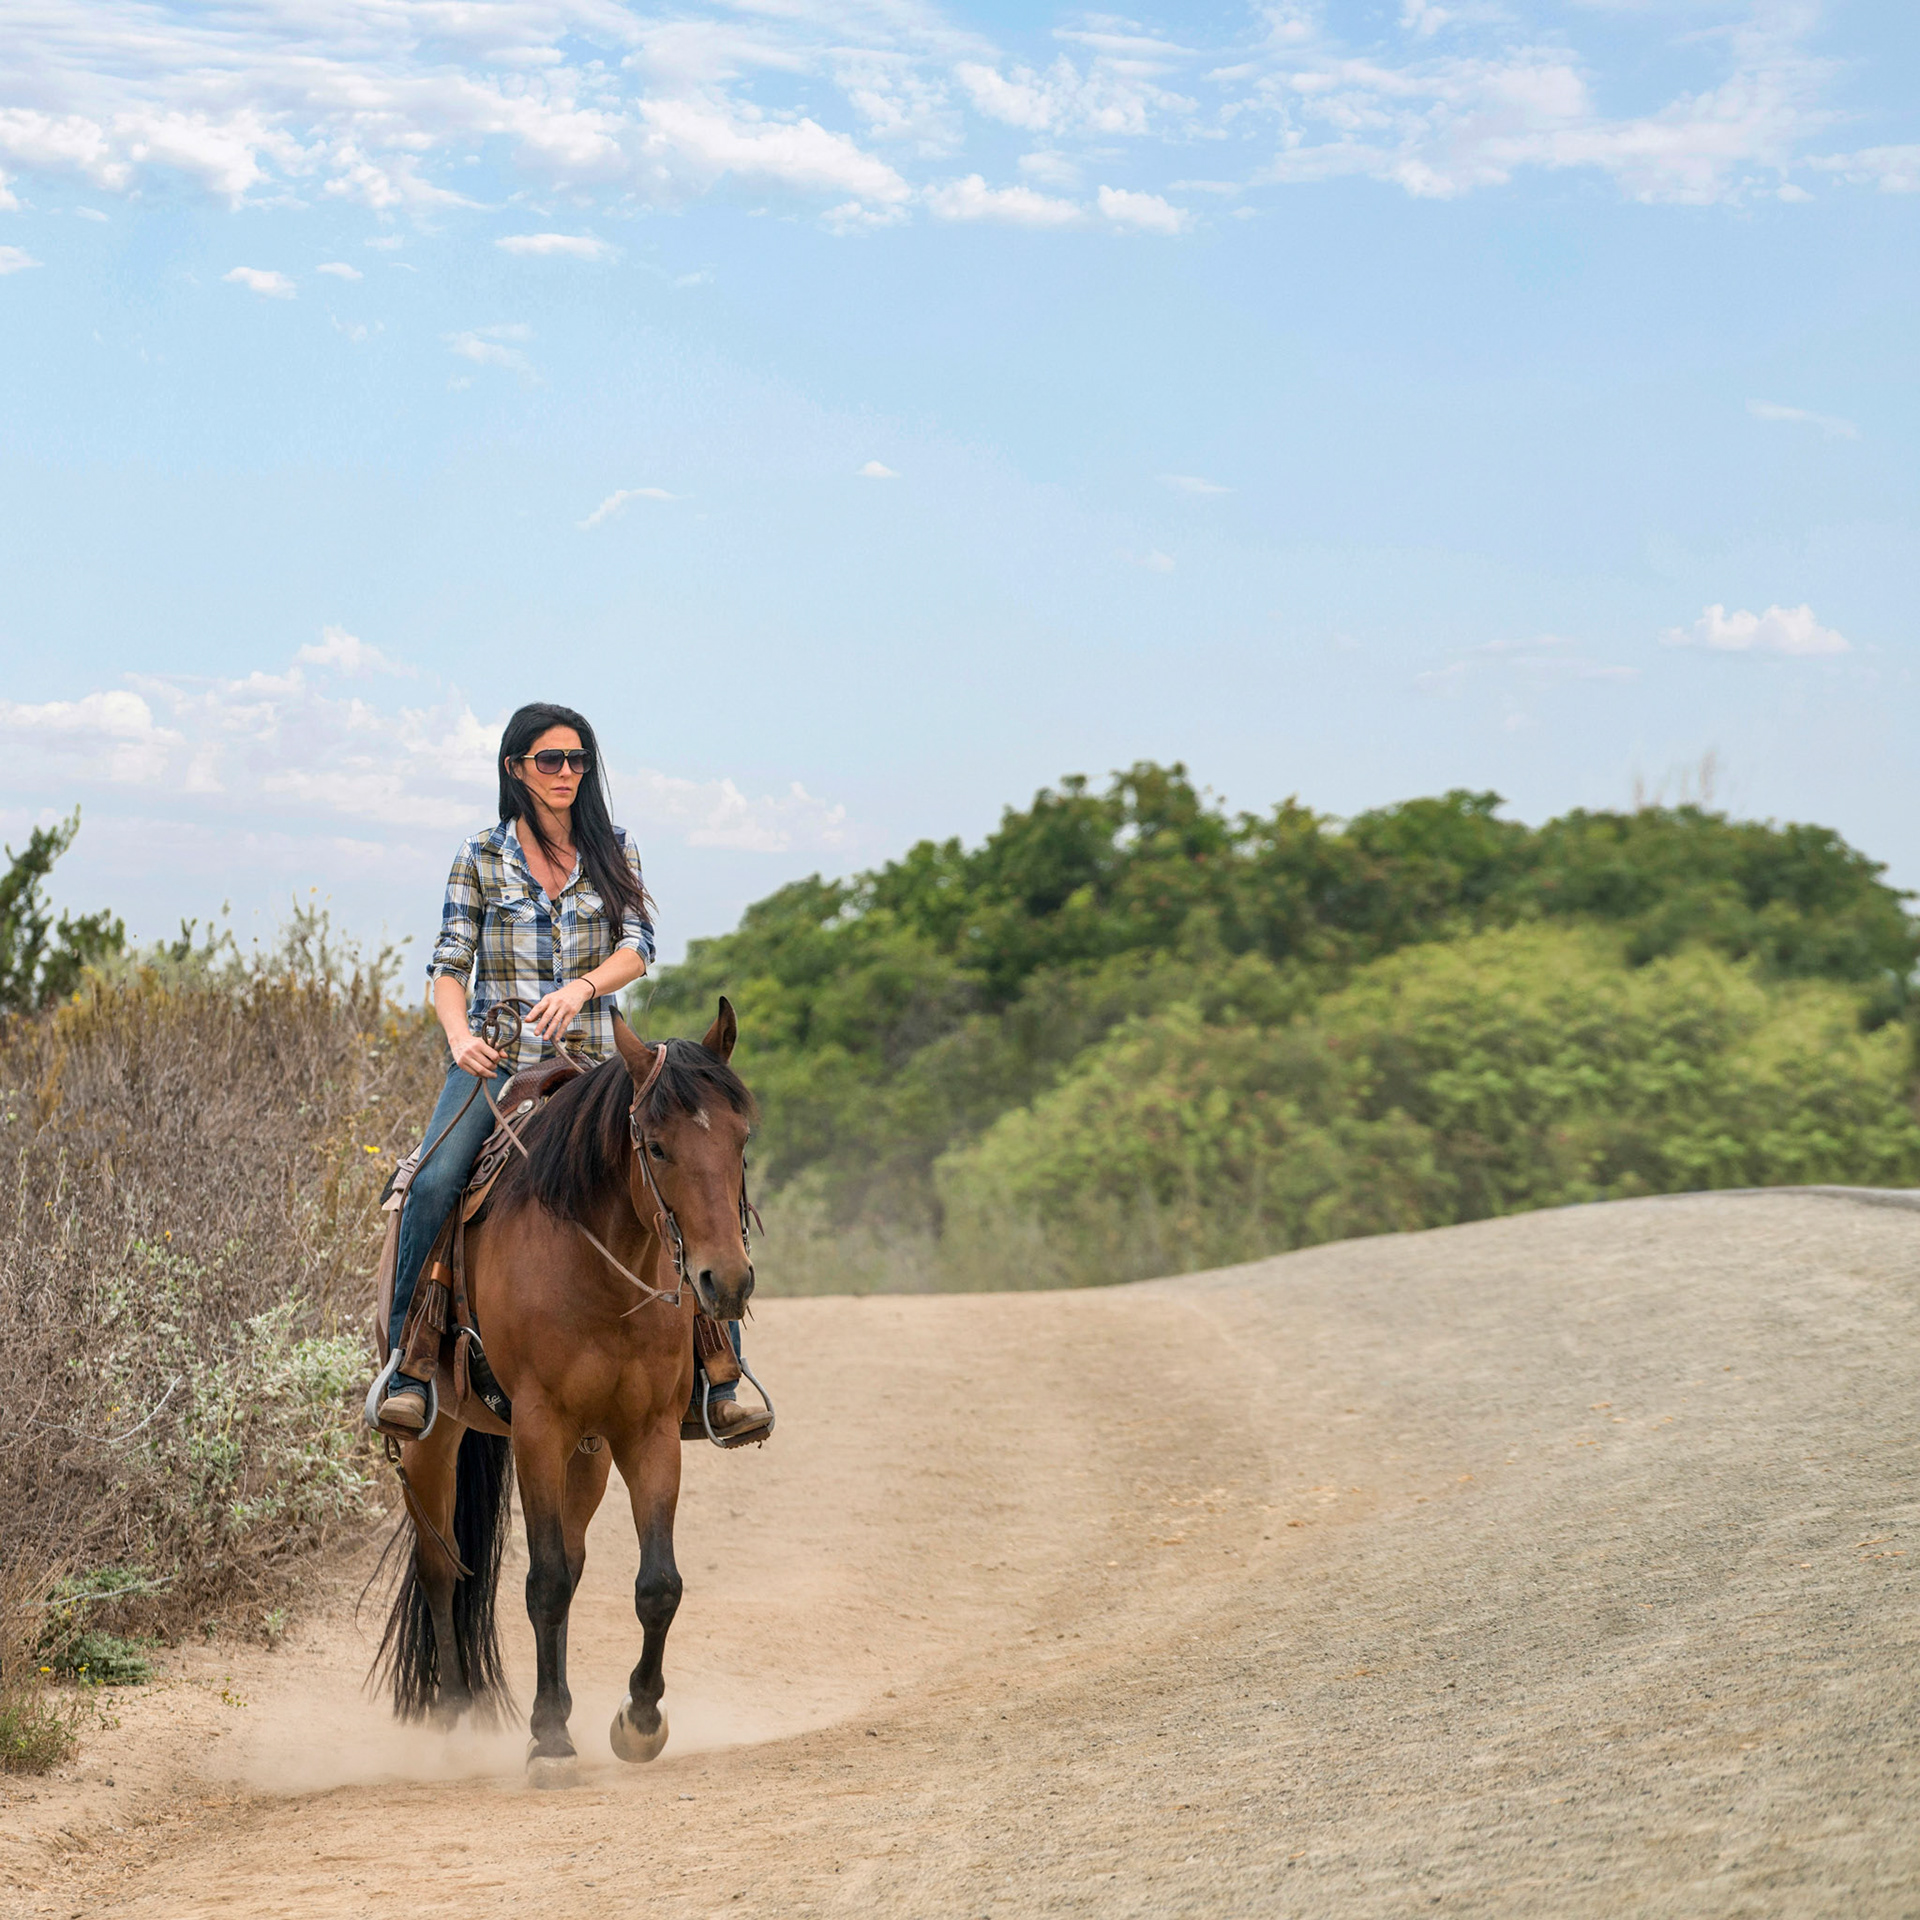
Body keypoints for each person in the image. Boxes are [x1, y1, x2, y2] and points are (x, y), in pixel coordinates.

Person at [378, 701, 767, 1440]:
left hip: (598, 1066)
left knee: (696, 1163)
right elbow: (448, 965)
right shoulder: (481, 857)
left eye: (578, 760)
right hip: (497, 1063)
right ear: (515, 768)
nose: (567, 773)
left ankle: (718, 1372)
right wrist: (459, 1036)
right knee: (433, 1180)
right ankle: (413, 1360)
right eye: (551, 760)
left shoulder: (613, 849)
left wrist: (584, 987)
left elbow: (638, 946)